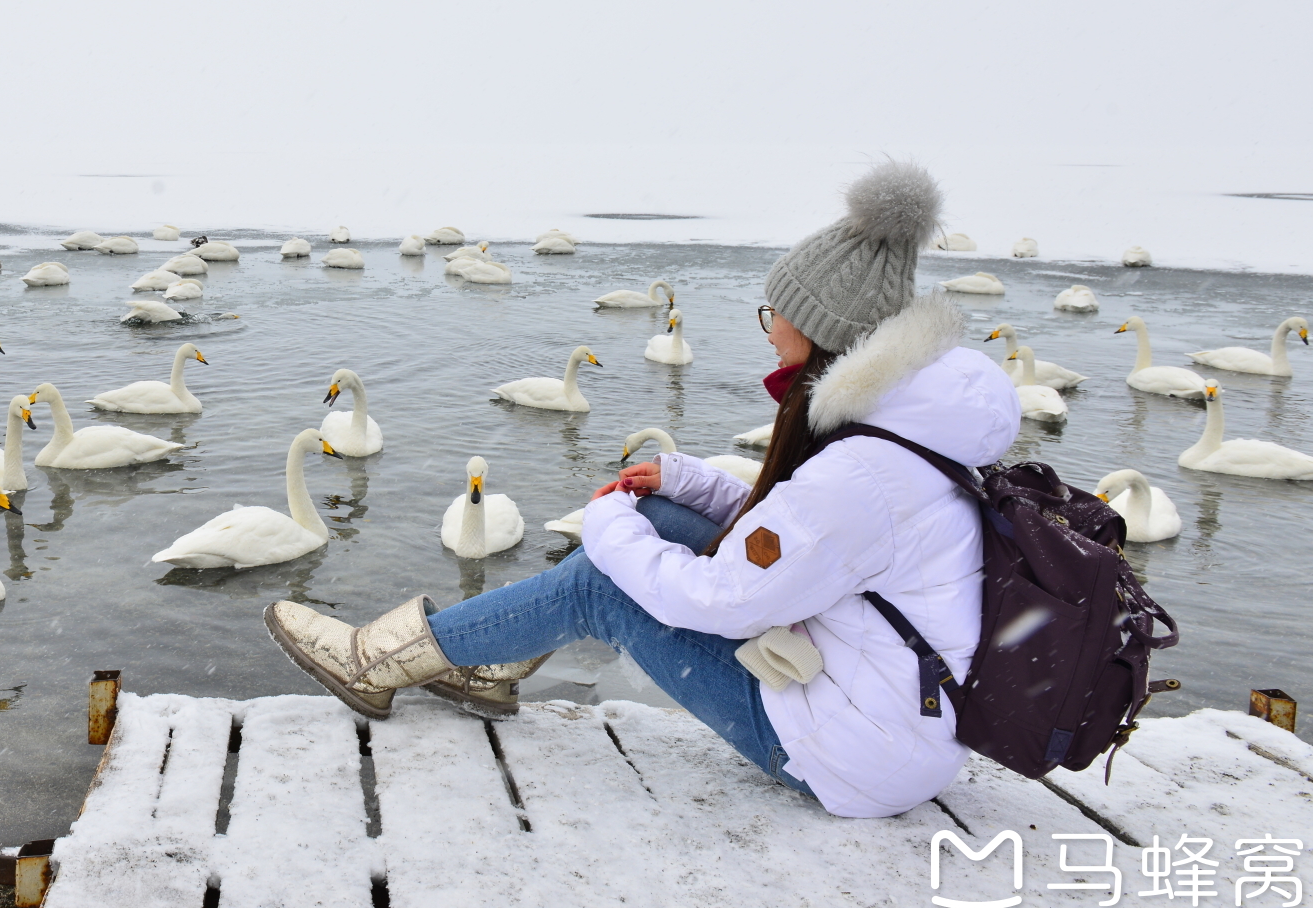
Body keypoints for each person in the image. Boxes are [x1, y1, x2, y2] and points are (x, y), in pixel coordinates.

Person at [265, 161, 1020, 817]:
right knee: (661, 513)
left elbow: (725, 598)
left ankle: (376, 660)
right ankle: (484, 661)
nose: (765, 327)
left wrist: (607, 524)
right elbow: (814, 541)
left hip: (849, 759)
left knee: (601, 585)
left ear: (823, 329)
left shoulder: (860, 474)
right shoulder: (909, 431)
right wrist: (685, 483)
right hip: (901, 720)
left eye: (775, 312)